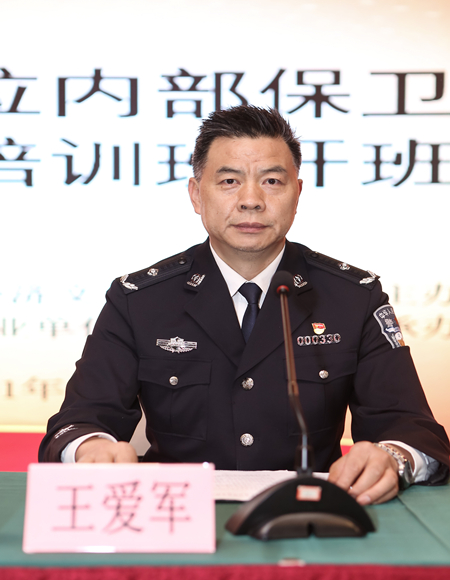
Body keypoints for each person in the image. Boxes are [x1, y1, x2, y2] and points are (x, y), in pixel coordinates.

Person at [39, 105, 450, 506]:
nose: (251, 200)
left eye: (271, 181)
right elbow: (79, 420)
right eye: (229, 181)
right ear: (196, 194)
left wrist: (393, 458)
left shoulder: (353, 296)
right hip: (178, 513)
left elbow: (411, 427)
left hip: (308, 514)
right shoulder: (139, 300)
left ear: (297, 194)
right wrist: (91, 448)